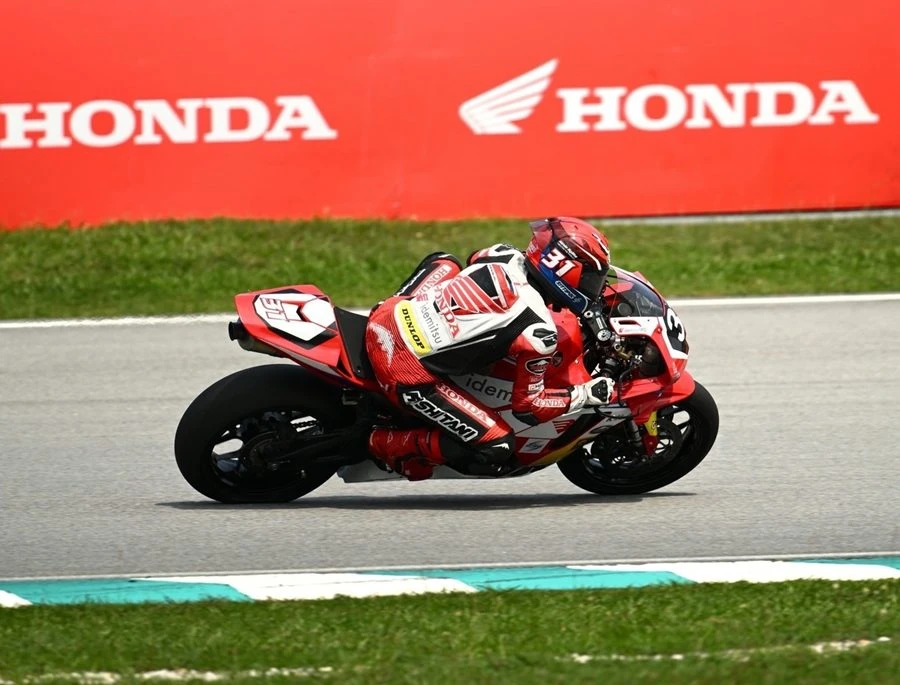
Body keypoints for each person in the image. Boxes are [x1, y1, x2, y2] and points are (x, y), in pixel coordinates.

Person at [364, 216, 616, 480]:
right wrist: (585, 395)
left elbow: (475, 257)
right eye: (590, 278)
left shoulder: (503, 254)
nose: (594, 288)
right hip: (402, 367)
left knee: (445, 261)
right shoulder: (538, 330)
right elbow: (529, 408)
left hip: (388, 313)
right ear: (565, 270)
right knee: (498, 446)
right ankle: (380, 443)